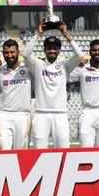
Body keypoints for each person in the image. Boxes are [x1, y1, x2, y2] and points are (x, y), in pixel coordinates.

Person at [23, 20, 83, 148]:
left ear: (59, 50)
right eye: (49, 48)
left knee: (63, 151)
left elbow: (79, 55)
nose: (52, 51)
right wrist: (38, 34)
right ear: (44, 50)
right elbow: (26, 54)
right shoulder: (37, 65)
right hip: (41, 114)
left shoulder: (64, 65)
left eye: (55, 48)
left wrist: (66, 34)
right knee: (39, 151)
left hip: (60, 114)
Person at [69, 39, 99, 147]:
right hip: (87, 111)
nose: (97, 52)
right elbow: (62, 77)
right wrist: (65, 90)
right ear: (89, 52)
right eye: (94, 50)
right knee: (85, 148)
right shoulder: (82, 69)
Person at [0, 39, 33, 150]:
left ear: (18, 52)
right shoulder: (0, 72)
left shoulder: (27, 69)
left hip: (23, 115)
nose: (9, 55)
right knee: (2, 152)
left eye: (12, 52)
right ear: (3, 54)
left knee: (21, 153)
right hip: (4, 115)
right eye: (6, 53)